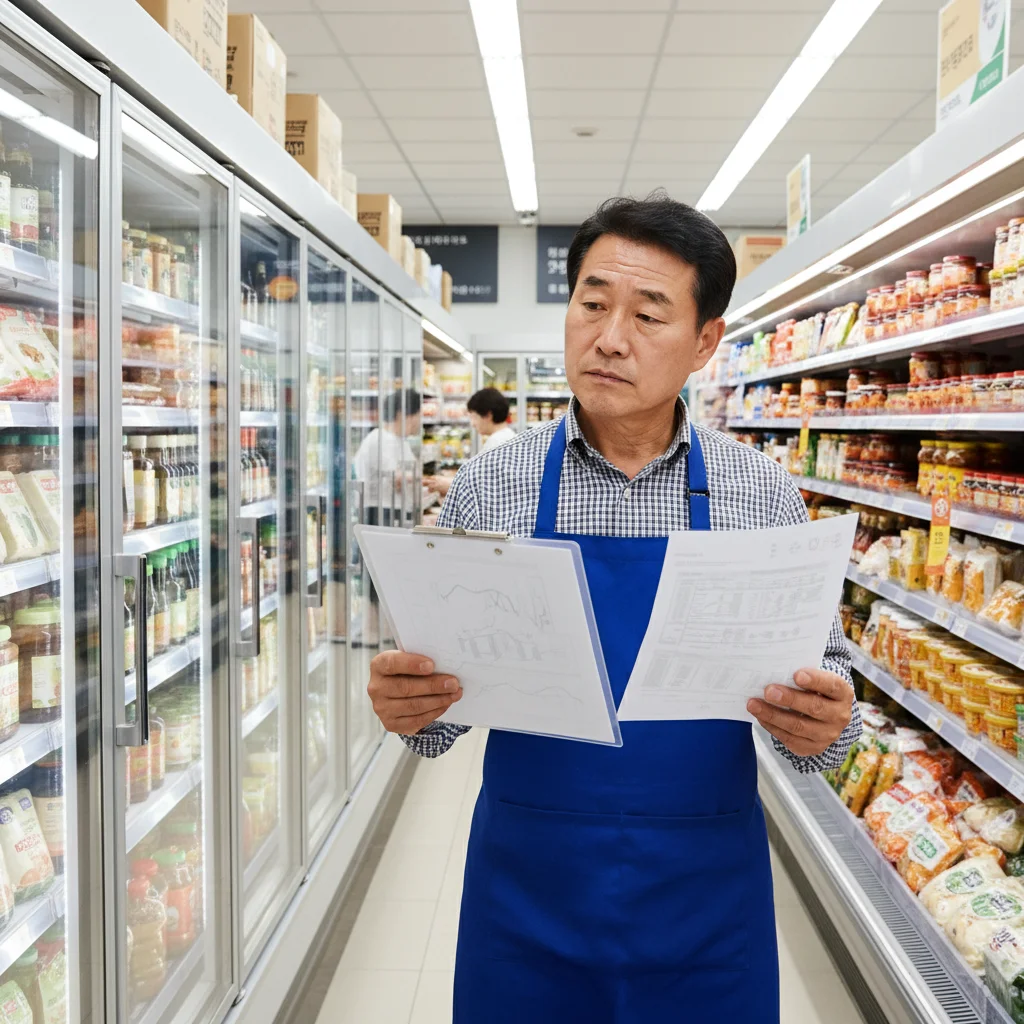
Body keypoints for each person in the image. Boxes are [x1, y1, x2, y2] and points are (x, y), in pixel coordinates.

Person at [366, 193, 861, 1022]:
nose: (609, 338)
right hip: (529, 893)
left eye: (649, 315)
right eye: (592, 304)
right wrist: (409, 705)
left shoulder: (760, 494)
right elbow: (439, 722)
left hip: (704, 897)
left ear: (705, 342)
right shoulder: (493, 485)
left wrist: (825, 724)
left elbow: (829, 707)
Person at [426, 387, 518, 499]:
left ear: (488, 415)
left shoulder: (497, 443)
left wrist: (449, 485)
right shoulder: (507, 437)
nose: (473, 424)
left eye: (474, 417)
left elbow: (485, 489)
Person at [353, 388, 420, 526]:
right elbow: (396, 478)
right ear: (402, 415)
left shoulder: (401, 442)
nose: (420, 421)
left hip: (395, 512)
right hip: (380, 514)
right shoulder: (379, 439)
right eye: (419, 415)